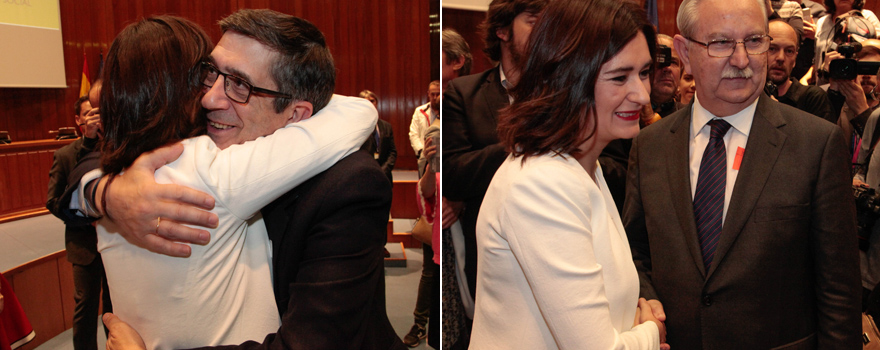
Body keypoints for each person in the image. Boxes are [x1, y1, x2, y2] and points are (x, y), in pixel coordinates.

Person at [624, 0, 861, 348]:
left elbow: (839, 289)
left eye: (754, 41)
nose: (741, 60)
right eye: (720, 43)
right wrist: (648, 303)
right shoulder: (650, 146)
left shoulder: (816, 144)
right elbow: (636, 251)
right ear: (684, 52)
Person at [470, 0, 667, 348]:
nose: (642, 94)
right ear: (569, 78)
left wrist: (636, 315)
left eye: (644, 72)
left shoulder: (582, 167)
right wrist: (650, 333)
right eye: (620, 77)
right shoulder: (542, 182)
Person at [442, 1, 547, 348]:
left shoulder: (564, 91)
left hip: (552, 244)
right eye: (533, 22)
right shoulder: (464, 93)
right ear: (502, 31)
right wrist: (520, 135)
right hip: (490, 253)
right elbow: (455, 175)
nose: (544, 30)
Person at [45, 94, 110, 350]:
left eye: (98, 112)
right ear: (77, 120)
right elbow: (53, 201)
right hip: (83, 247)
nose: (94, 117)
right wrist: (87, 221)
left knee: (115, 308)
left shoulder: (115, 149)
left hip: (115, 243)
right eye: (88, 114)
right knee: (86, 307)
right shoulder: (64, 155)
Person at [767, 19, 834, 122]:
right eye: (772, 48)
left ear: (795, 59)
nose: (781, 58)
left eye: (789, 51)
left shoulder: (812, 99)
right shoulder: (747, 97)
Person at [811, 0, 880, 85]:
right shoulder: (822, 21)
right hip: (824, 84)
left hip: (857, 84)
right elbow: (818, 58)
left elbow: (876, 50)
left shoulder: (867, 17)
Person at [358, 90, 396, 184]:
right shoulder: (356, 127)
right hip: (364, 176)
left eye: (372, 101)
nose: (370, 104)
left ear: (377, 103)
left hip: (384, 176)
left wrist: (383, 170)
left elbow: (392, 152)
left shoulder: (386, 126)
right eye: (366, 102)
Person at [409, 81, 440, 168]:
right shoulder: (420, 111)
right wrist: (421, 151)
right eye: (432, 94)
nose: (435, 97)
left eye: (438, 94)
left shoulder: (447, 110)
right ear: (428, 94)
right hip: (424, 155)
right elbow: (413, 134)